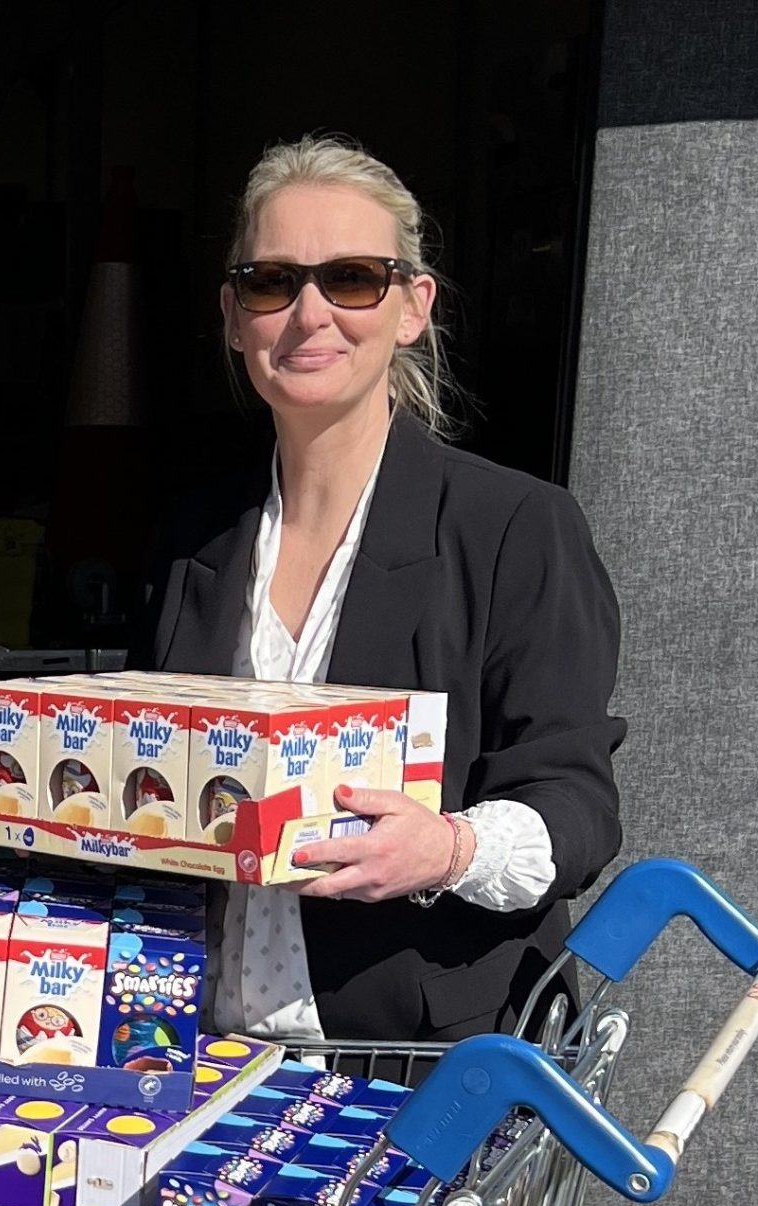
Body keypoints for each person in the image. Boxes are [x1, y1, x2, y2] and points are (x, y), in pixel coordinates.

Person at [154, 134, 624, 1041]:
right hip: (202, 1048)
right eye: (271, 281)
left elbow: (577, 808)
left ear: (413, 307)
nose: (310, 313)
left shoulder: (513, 528)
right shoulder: (194, 535)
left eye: (353, 279)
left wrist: (446, 849)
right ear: (233, 316)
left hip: (413, 1061)